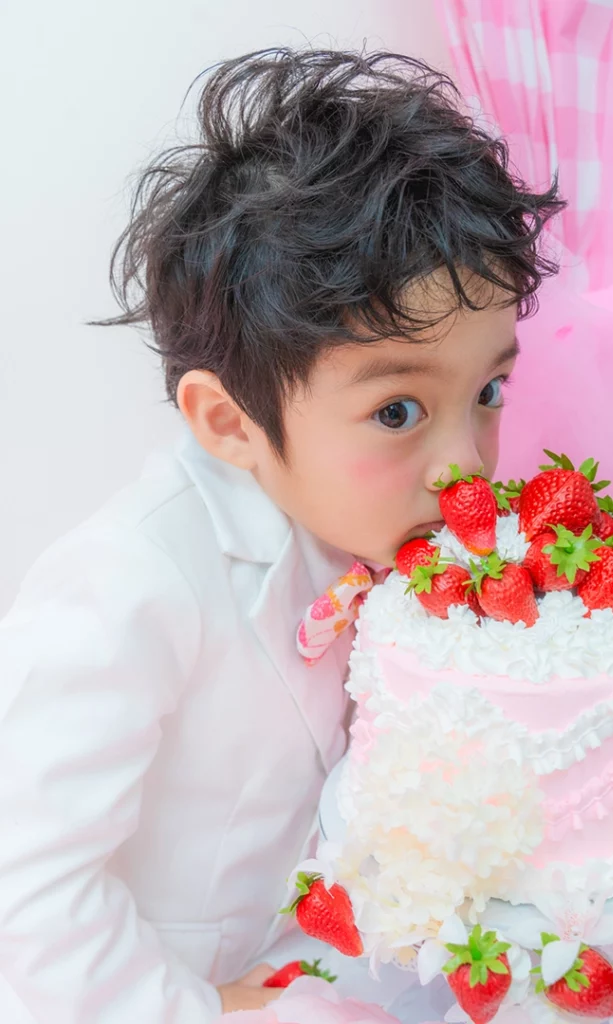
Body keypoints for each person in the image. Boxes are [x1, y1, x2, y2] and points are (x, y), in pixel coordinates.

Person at [0, 48, 563, 1023]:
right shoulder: (128, 581)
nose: (464, 468)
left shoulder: (384, 534)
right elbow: (25, 888)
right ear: (228, 422)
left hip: (329, 966)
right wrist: (195, 1009)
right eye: (396, 412)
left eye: (487, 391)